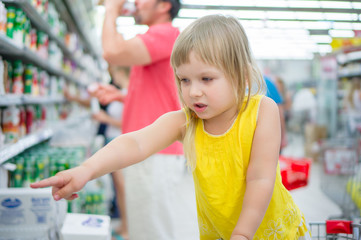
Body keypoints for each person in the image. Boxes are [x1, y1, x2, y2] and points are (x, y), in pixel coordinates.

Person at [31, 15, 311, 240]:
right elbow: (135, 143)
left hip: (270, 231)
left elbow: (260, 179)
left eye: (206, 78)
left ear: (238, 73)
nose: (194, 92)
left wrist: (242, 233)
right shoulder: (186, 121)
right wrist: (85, 170)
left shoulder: (262, 111)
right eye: (185, 80)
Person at [95, 0, 197, 239]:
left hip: (154, 151)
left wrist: (111, 10)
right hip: (151, 150)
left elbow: (112, 52)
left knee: (151, 231)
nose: (137, 2)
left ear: (163, 6)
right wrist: (122, 97)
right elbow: (160, 91)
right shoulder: (159, 38)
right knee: (146, 228)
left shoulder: (163, 34)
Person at [91, 66, 130, 240]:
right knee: (118, 188)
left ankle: (127, 229)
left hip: (122, 144)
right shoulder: (121, 92)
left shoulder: (128, 93)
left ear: (120, 72)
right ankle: (125, 225)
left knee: (122, 187)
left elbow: (129, 123)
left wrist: (105, 118)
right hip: (113, 142)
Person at [264, 75, 288, 150]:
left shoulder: (267, 83)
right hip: (268, 136)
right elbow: (280, 114)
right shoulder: (267, 82)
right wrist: (283, 137)